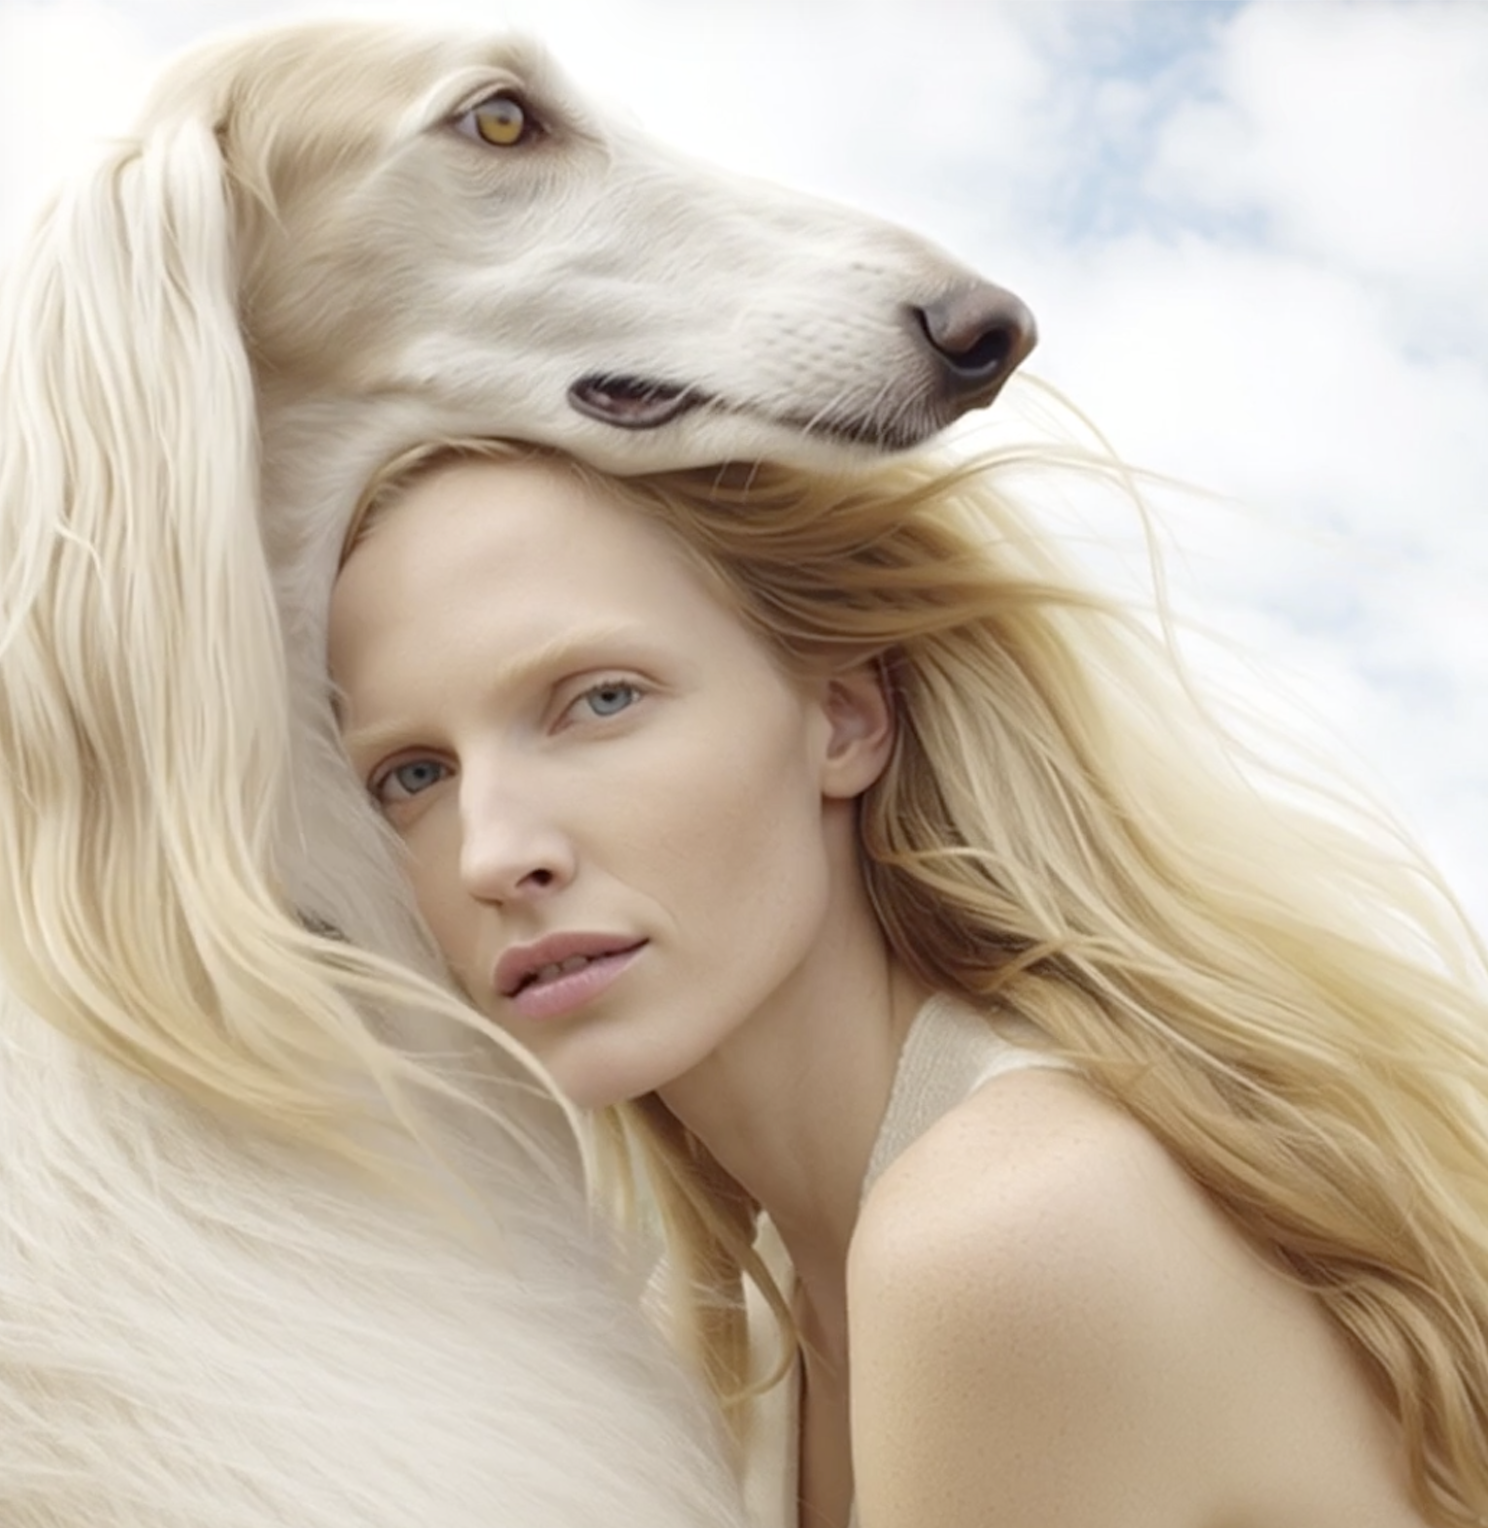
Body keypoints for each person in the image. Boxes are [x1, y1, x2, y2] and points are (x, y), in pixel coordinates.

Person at [328, 436, 1488, 1528]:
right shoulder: (720, 1331)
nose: (492, 853)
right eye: (413, 775)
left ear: (843, 717)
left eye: (601, 699)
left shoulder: (1000, 1236)